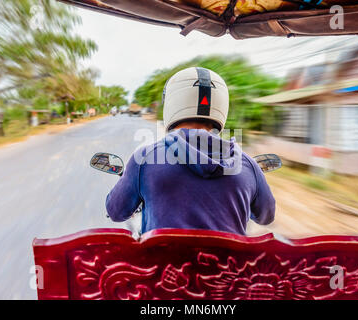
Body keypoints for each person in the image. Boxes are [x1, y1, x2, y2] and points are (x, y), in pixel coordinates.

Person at [106, 67, 275, 235]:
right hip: (226, 262)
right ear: (221, 105)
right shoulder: (248, 165)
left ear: (172, 102)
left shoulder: (145, 159)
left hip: (166, 262)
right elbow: (266, 217)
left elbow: (116, 212)